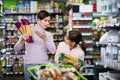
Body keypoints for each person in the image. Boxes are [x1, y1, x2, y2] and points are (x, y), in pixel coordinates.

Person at [14, 10, 56, 80]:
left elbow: (53, 51)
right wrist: (22, 39)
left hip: (43, 65)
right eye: (45, 21)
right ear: (38, 20)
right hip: (30, 64)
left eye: (48, 21)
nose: (47, 23)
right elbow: (16, 49)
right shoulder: (28, 31)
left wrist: (45, 39)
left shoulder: (48, 34)